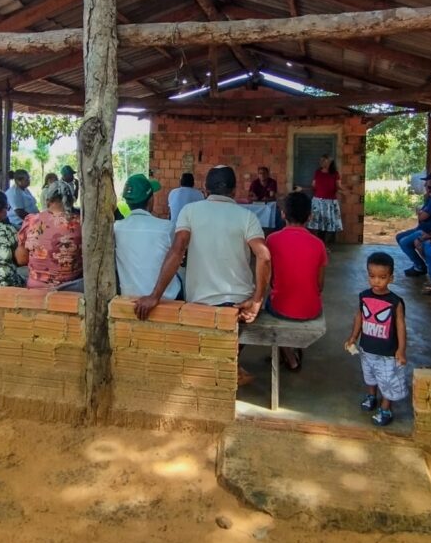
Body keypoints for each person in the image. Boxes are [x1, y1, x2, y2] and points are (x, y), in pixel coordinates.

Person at [135, 165, 271, 386]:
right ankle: (230, 363)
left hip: (201, 303)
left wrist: (154, 295)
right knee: (243, 323)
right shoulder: (247, 217)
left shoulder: (190, 212)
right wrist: (257, 300)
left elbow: (177, 250)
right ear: (234, 191)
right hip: (239, 305)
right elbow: (263, 256)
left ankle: (224, 364)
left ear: (205, 190)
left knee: (211, 336)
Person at [344, 251, 407, 427]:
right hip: (367, 347)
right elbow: (359, 317)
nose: (376, 281)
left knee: (388, 380)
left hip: (387, 352)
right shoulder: (364, 296)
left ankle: (386, 408)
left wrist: (401, 350)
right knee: (369, 376)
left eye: (382, 277)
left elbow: (401, 326)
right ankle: (371, 396)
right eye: (372, 276)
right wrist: (353, 337)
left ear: (391, 278)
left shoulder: (395, 302)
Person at [266, 192, 327, 370]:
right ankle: (286, 353)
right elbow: (320, 285)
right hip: (311, 309)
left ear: (283, 214)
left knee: (269, 305)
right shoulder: (318, 244)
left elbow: (269, 279)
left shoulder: (271, 240)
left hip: (280, 307)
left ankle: (290, 358)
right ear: (310, 216)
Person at [114, 174, 182, 300]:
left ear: (128, 202)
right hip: (165, 298)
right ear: (151, 200)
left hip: (129, 296)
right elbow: (178, 257)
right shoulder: (166, 228)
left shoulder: (116, 228)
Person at [16, 180, 83, 289]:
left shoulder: (31, 221)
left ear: (48, 201)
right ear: (71, 201)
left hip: (36, 287)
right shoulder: (81, 223)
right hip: (72, 288)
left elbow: (21, 260)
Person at [397, 178, 431, 277]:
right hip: (426, 230)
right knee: (400, 237)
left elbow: (422, 216)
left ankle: (421, 267)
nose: (426, 187)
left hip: (428, 231)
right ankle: (419, 265)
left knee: (405, 241)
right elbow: (421, 216)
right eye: (427, 185)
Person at [308, 155, 343, 244]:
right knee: (319, 226)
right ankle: (321, 245)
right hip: (318, 202)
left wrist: (347, 191)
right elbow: (313, 186)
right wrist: (303, 189)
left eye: (324, 160)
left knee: (331, 226)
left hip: (330, 203)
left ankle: (326, 244)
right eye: (321, 160)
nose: (321, 162)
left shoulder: (335, 173)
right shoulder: (318, 172)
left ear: (330, 162)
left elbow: (339, 187)